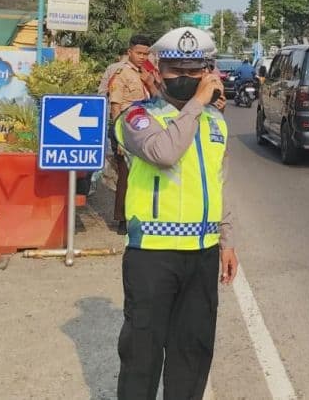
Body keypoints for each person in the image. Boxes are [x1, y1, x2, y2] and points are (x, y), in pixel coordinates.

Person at [115, 26, 239, 400]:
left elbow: (219, 182)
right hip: (152, 256)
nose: (186, 79)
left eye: (194, 71)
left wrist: (227, 241)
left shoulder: (215, 122)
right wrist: (197, 104)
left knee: (193, 354)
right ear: (157, 71)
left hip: (201, 254)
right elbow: (164, 153)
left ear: (207, 72)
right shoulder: (137, 118)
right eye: (176, 71)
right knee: (142, 355)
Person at [107, 36, 154, 232]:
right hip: (125, 130)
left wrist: (149, 82)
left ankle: (138, 215)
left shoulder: (144, 73)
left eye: (146, 53)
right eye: (139, 53)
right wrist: (119, 140)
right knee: (126, 176)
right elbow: (116, 107)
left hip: (142, 130)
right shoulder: (121, 74)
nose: (143, 57)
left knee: (141, 175)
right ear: (130, 52)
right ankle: (123, 220)